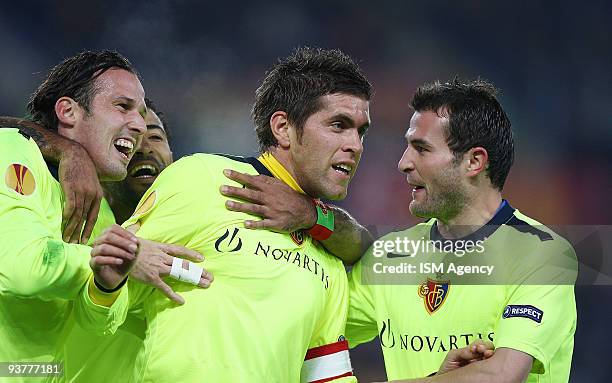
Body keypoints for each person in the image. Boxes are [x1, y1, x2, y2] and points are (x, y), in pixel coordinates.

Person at [111, 46, 371, 382]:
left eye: (361, 131)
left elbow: (327, 377)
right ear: (283, 128)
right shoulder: (202, 177)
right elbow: (106, 283)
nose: (356, 145)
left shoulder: (329, 258)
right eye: (339, 125)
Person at [345, 79, 577, 382]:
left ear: (474, 161)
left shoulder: (542, 253)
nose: (403, 163)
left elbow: (502, 374)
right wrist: (318, 220)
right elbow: (308, 330)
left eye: (421, 149)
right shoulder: (390, 255)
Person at [0, 51, 210, 379]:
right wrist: (112, 261)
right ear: (68, 111)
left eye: (141, 114)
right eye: (122, 107)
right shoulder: (11, 149)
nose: (139, 125)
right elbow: (18, 269)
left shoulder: (102, 217)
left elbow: (97, 322)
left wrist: (107, 284)